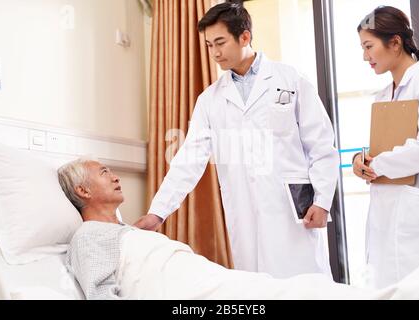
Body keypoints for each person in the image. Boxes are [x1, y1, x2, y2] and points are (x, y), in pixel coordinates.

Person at [135, 2, 339, 278]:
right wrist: (158, 212)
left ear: (244, 36)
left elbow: (321, 144)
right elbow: (188, 160)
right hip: (244, 210)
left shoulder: (290, 79)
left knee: (305, 287)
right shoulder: (209, 99)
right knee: (256, 288)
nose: (215, 53)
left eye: (220, 42)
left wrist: (323, 199)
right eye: (209, 45)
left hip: (291, 208)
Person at [58, 158, 419, 300]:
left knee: (294, 289)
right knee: (289, 294)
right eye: (102, 171)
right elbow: (100, 293)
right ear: (83, 190)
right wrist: (158, 214)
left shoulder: (127, 232)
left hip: (202, 278)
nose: (114, 174)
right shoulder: (89, 236)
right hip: (185, 293)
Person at [353, 6, 419, 288]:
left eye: (369, 46)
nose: (365, 56)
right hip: (386, 210)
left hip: (417, 211)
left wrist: (377, 165)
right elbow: (379, 147)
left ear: (395, 43)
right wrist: (361, 160)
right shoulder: (383, 94)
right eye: (362, 48)